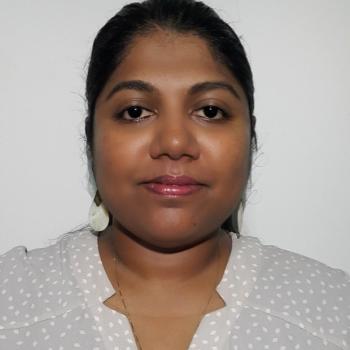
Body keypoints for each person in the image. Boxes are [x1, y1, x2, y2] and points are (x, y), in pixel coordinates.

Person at [0, 0, 349, 349]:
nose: (175, 142)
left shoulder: (334, 314)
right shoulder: (10, 303)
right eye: (135, 111)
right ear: (91, 138)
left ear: (250, 137)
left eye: (210, 111)